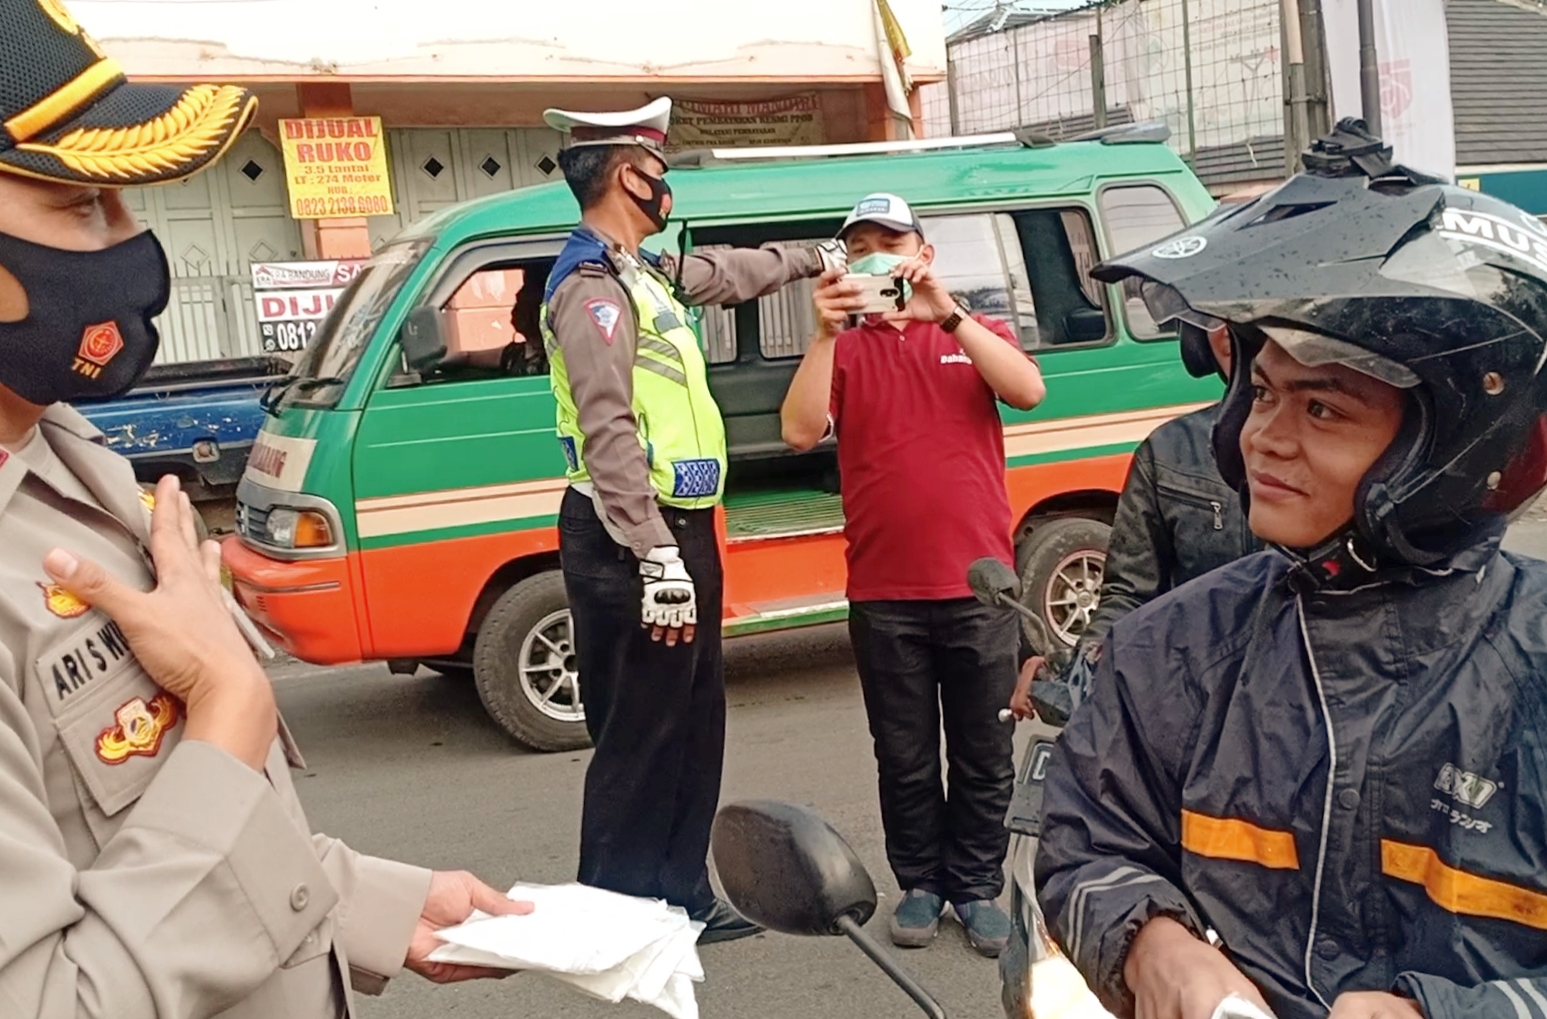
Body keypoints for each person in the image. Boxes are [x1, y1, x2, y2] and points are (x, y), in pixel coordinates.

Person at [0, 3, 528, 1017]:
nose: (133, 245)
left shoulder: (67, 454)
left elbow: (139, 821)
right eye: (81, 207)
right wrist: (232, 709)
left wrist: (372, 900)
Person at [1035, 122, 1547, 1019]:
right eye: (1264, 392)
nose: (1266, 437)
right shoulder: (1170, 649)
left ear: (1457, 446)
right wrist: (1158, 950)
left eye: (1322, 406)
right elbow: (1087, 847)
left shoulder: (1532, 669)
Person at [539, 98, 837, 942]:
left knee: (694, 716)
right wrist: (656, 554)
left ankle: (679, 892)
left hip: (683, 527)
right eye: (658, 170)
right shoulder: (589, 288)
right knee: (640, 726)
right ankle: (617, 911)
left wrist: (819, 255)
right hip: (632, 535)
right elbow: (607, 431)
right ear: (626, 175)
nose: (666, 185)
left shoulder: (644, 271)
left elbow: (732, 274)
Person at [781, 192, 1047, 957]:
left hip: (978, 589)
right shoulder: (846, 349)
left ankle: (975, 886)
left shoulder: (970, 333)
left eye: (889, 241)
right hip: (883, 592)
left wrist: (948, 313)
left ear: (921, 255)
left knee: (982, 752)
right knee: (900, 754)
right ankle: (921, 883)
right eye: (859, 243)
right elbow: (799, 430)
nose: (875, 254)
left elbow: (1027, 390)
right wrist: (823, 333)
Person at [1007, 322, 1259, 721]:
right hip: (1196, 709)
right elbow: (1130, 595)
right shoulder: (1169, 451)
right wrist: (1079, 670)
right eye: (1211, 315)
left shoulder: (1351, 448)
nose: (1229, 330)